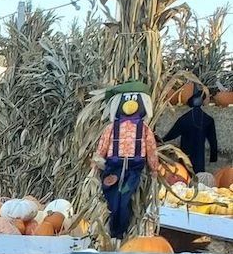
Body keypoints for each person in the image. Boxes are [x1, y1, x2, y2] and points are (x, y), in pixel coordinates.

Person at [92, 81, 158, 240]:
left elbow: (151, 148)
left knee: (125, 199)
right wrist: (96, 162)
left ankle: (120, 233)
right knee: (112, 199)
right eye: (127, 99)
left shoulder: (144, 129)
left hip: (133, 170)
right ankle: (111, 231)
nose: (130, 103)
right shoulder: (111, 128)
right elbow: (102, 146)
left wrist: (154, 168)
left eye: (135, 99)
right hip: (113, 168)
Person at [162, 86, 218, 174]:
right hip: (199, 152)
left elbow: (173, 133)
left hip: (185, 152)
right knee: (198, 173)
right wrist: (213, 157)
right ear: (202, 102)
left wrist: (162, 140)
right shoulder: (208, 119)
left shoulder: (184, 118)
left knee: (185, 171)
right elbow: (212, 140)